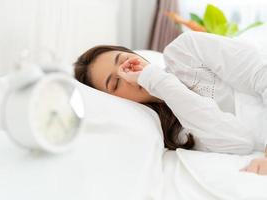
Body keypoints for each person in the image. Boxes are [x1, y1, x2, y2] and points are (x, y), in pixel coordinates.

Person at [73, 31, 267, 175]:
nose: (127, 71)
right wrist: (156, 81)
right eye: (116, 83)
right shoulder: (175, 133)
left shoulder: (184, 51)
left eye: (124, 59)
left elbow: (261, 73)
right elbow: (241, 143)